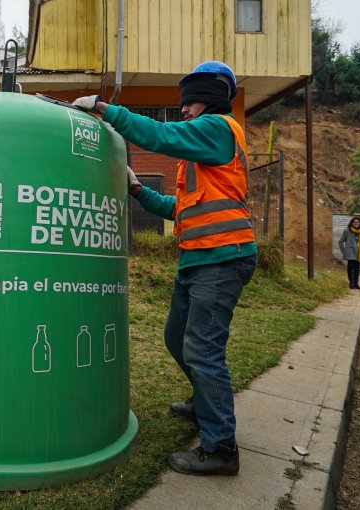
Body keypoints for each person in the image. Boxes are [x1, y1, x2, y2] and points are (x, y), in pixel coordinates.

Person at [73, 60, 256, 476]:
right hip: (200, 257)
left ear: (207, 99)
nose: (183, 110)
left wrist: (107, 109)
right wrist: (138, 190)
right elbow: (182, 210)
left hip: (222, 258)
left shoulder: (219, 128)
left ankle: (221, 448)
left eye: (188, 102)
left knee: (203, 350)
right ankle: (204, 402)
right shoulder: (205, 152)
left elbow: (160, 135)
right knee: (178, 337)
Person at [339, 216, 360, 289]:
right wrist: (343, 251)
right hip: (350, 252)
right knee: (351, 268)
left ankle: (356, 283)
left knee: (357, 268)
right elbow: (341, 242)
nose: (356, 223)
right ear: (352, 223)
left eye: (358, 222)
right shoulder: (347, 231)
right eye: (355, 222)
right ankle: (351, 283)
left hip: (359, 253)